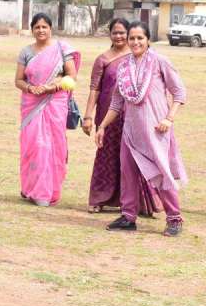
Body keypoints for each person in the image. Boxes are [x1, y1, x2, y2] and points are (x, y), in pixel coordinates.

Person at [96, 21, 187, 236]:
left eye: (140, 38)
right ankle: (128, 217)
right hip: (130, 132)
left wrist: (169, 119)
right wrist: (102, 126)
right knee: (127, 174)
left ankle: (174, 218)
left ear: (148, 40)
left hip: (156, 131)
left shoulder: (159, 62)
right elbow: (117, 102)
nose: (135, 42)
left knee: (161, 174)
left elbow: (179, 92)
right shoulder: (123, 67)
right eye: (132, 38)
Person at [83, 18, 161, 215]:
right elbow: (94, 89)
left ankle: (141, 203)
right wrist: (88, 116)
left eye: (122, 33)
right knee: (106, 156)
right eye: (114, 32)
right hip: (108, 115)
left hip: (134, 115)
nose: (118, 36)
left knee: (136, 157)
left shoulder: (137, 57)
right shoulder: (102, 60)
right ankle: (100, 198)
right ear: (110, 35)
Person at [14, 12, 81, 207]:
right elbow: (18, 80)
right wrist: (30, 88)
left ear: (50, 29)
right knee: (34, 147)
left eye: (44, 27)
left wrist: (52, 87)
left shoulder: (61, 48)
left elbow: (71, 77)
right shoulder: (26, 52)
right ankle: (31, 188)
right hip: (32, 105)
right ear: (32, 30)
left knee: (52, 146)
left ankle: (47, 191)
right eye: (37, 27)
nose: (41, 30)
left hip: (55, 103)